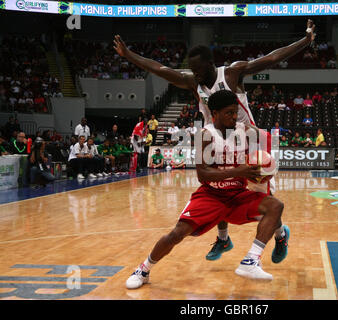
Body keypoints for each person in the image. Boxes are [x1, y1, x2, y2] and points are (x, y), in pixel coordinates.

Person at [114, 19, 314, 261]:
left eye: (198, 69)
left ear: (210, 64)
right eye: (192, 70)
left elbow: (271, 58)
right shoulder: (193, 82)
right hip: (218, 142)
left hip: (248, 141)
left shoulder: (231, 73)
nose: (195, 74)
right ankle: (223, 239)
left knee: (263, 196)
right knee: (217, 189)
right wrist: (128, 54)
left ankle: (281, 235)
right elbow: (160, 69)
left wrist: (305, 41)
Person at [125, 90, 288, 289]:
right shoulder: (206, 136)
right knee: (177, 234)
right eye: (229, 113)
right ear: (214, 113)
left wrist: (265, 167)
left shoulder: (245, 131)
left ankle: (251, 261)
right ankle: (143, 269)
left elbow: (266, 143)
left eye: (236, 112)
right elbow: (203, 175)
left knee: (275, 206)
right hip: (211, 196)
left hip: (238, 195)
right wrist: (241, 170)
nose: (235, 117)